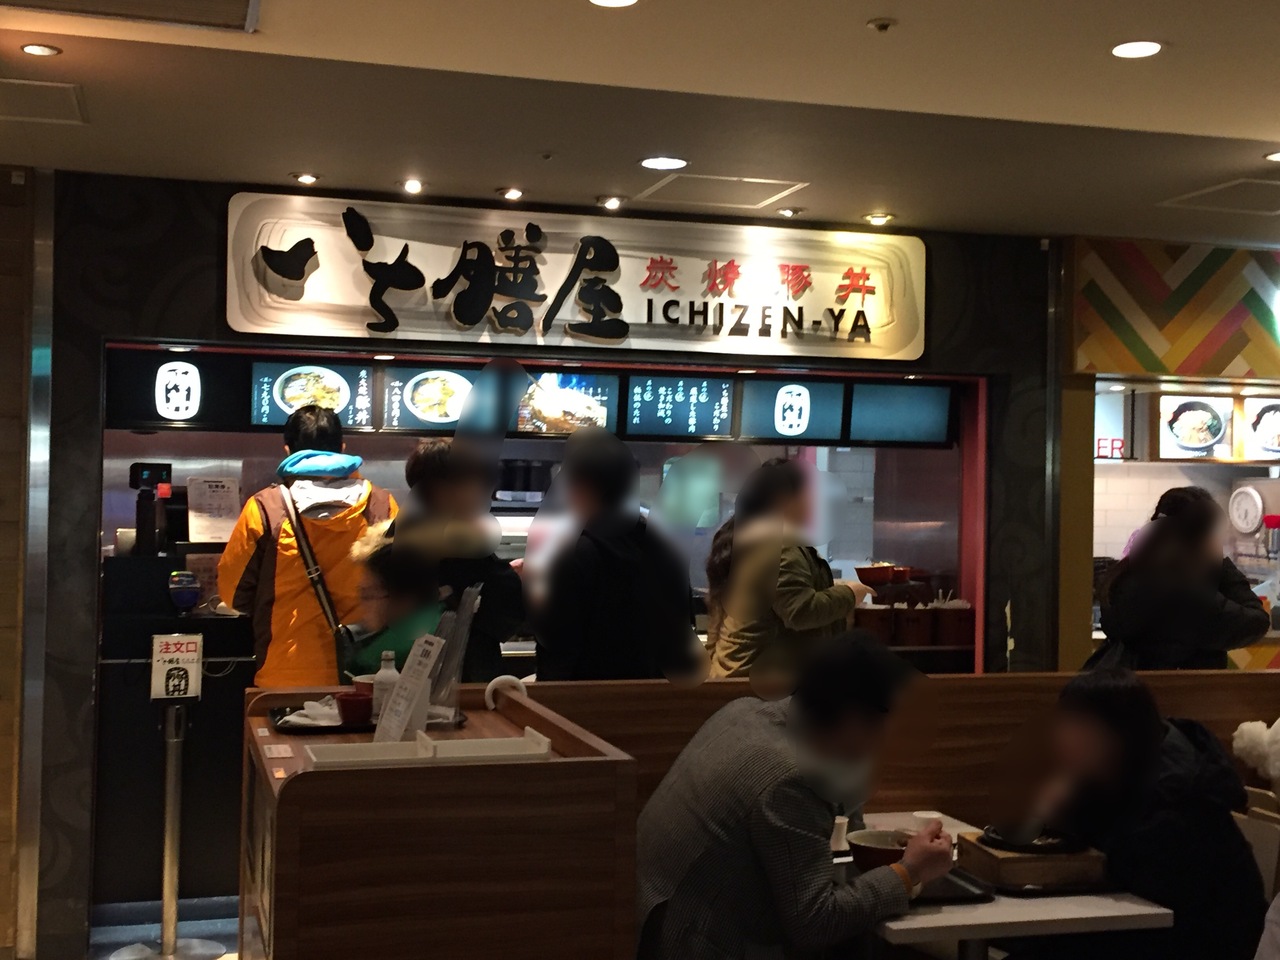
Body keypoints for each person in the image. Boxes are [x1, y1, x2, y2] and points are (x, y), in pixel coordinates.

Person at [636, 633, 955, 960]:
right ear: (853, 718)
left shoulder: (744, 712)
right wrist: (909, 871)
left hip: (654, 923)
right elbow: (816, 924)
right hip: (698, 944)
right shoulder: (790, 781)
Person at [1008, 669, 1266, 960]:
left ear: (1116, 735)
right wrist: (1060, 814)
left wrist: (1065, 817)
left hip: (1193, 943)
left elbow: (1116, 874)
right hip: (1139, 931)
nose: (1060, 738)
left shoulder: (1176, 801)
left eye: (1076, 726)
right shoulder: (1115, 776)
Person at [218, 405, 398, 687]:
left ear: (287, 451)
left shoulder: (265, 508)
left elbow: (233, 594)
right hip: (363, 677)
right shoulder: (382, 505)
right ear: (342, 448)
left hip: (286, 676)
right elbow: (403, 589)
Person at [533, 427, 696, 681]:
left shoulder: (576, 555)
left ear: (583, 488)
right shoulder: (666, 550)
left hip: (587, 698)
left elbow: (557, 654)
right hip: (654, 697)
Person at [707, 458, 873, 680]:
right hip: (754, 685)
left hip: (736, 677)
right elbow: (800, 611)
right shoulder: (780, 545)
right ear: (784, 499)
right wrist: (851, 593)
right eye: (809, 495)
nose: (814, 503)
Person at [1091, 485, 1267, 669]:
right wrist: (1221, 564)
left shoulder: (1124, 578)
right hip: (1181, 686)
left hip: (1130, 683)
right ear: (1203, 539)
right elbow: (1256, 622)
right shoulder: (1186, 597)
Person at [404, 437, 524, 682]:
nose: (482, 492)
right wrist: (519, 580)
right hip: (460, 679)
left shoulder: (403, 533)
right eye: (473, 483)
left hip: (411, 675)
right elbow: (507, 609)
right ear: (443, 490)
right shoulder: (459, 545)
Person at [347, 517, 445, 676]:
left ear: (405, 598)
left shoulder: (378, 658)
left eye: (367, 595)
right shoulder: (444, 618)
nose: (362, 606)